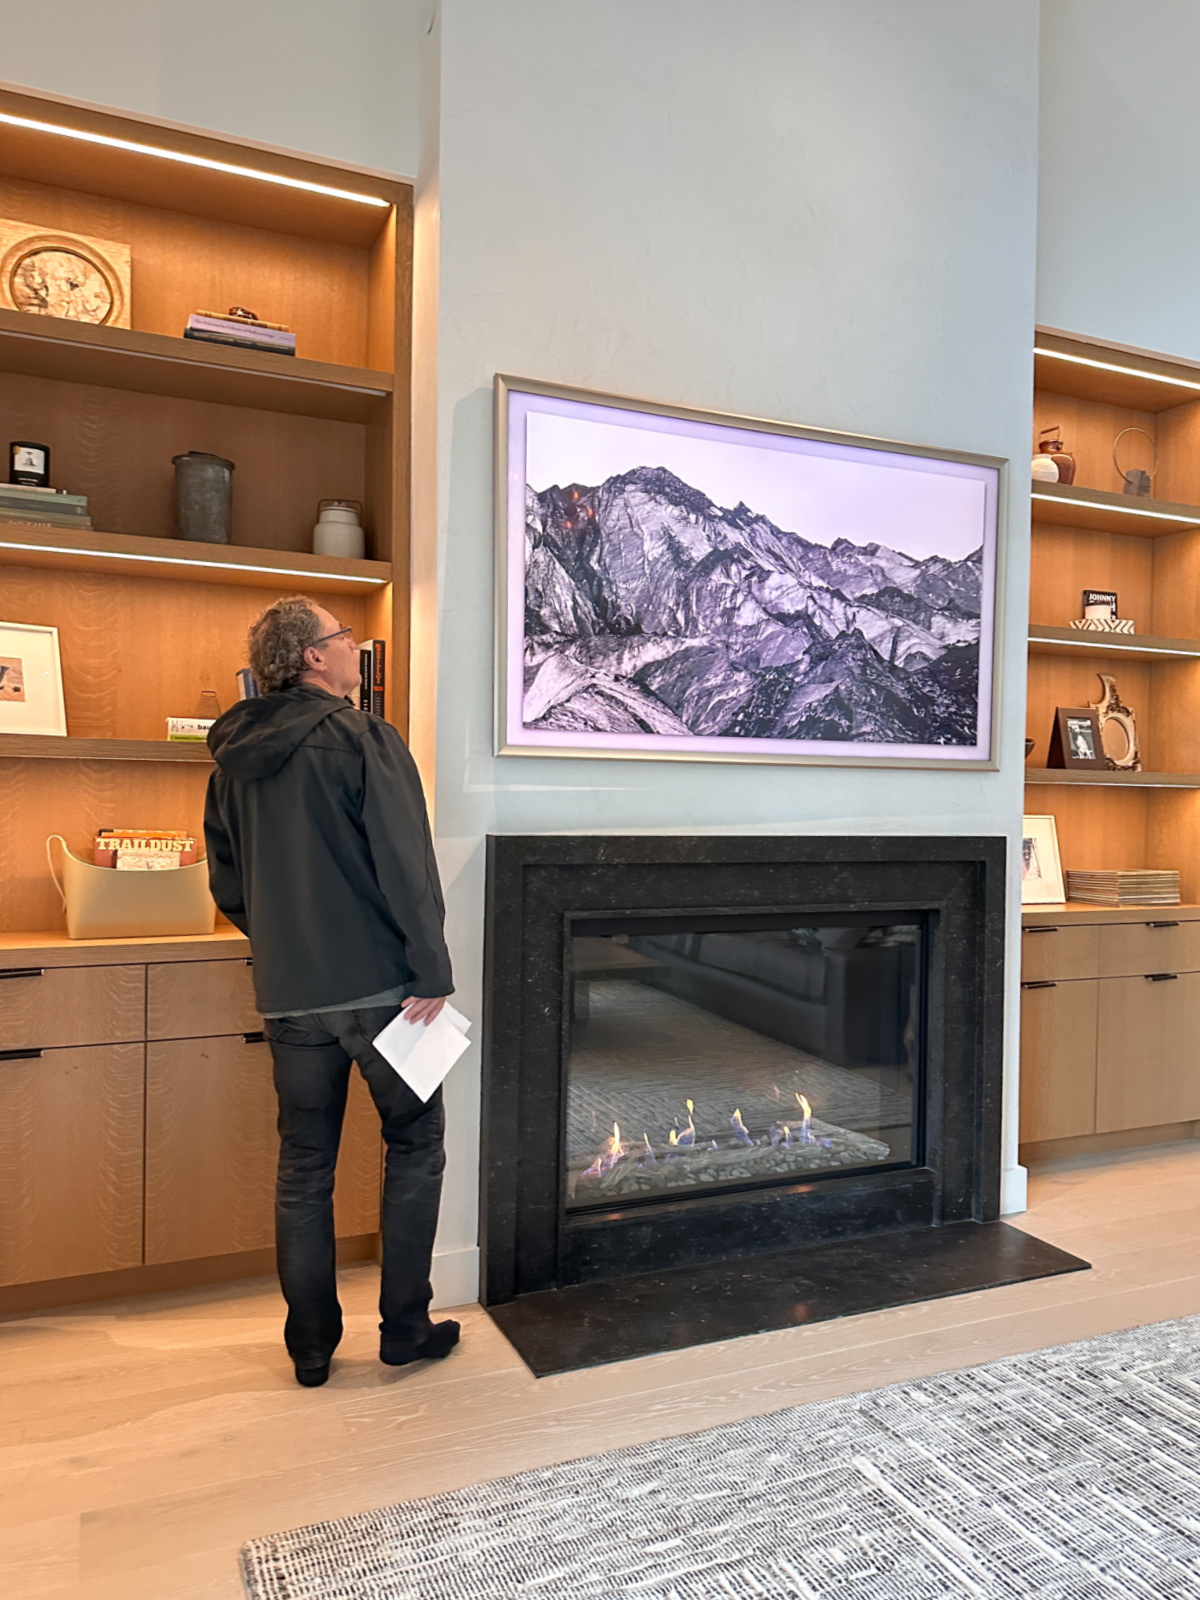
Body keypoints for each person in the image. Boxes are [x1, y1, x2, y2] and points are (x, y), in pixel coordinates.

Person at [203, 596, 458, 1387]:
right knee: (414, 1145)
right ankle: (404, 1331)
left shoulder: (233, 761)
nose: (356, 650)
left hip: (289, 996)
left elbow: (228, 884)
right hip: (385, 990)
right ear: (313, 657)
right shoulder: (364, 739)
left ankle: (311, 1349)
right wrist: (433, 969)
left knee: (303, 1167)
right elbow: (406, 866)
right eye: (346, 638)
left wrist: (286, 945)